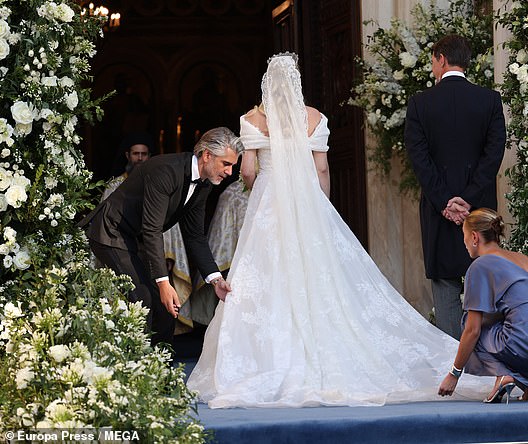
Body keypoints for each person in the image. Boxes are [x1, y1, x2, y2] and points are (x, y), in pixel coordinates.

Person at [186, 53, 493, 408]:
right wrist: (320, 210)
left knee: (268, 276)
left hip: (269, 203)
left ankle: (272, 358)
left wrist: (260, 188)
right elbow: (322, 171)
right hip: (308, 200)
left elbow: (250, 171)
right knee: (322, 278)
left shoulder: (252, 119)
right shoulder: (314, 118)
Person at [79, 127, 243, 346]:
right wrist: (163, 283)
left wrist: (215, 280)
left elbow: (195, 236)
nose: (230, 172)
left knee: (166, 310)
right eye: (226, 164)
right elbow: (152, 229)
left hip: (135, 238)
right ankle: (134, 367)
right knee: (145, 299)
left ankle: (161, 371)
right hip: (111, 233)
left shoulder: (203, 185)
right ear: (207, 155)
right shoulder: (166, 170)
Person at [404, 34, 506, 340]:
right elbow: (494, 154)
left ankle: (451, 360)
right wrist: (469, 199)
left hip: (440, 211)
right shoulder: (489, 100)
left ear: (440, 59)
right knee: (485, 278)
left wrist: (446, 201)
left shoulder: (420, 103)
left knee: (445, 282)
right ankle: (487, 355)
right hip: (481, 208)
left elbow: (419, 158)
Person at [438, 208, 528, 403]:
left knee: (470, 324)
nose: (463, 243)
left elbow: (472, 331)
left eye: (463, 236)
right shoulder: (524, 259)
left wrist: (454, 374)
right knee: (505, 320)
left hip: (526, 345)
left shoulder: (480, 266)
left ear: (474, 237)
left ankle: (504, 375)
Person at [101, 132, 152, 201]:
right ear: (128, 156)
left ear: (149, 156)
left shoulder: (155, 182)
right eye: (135, 153)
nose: (140, 158)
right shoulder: (115, 185)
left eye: (144, 154)